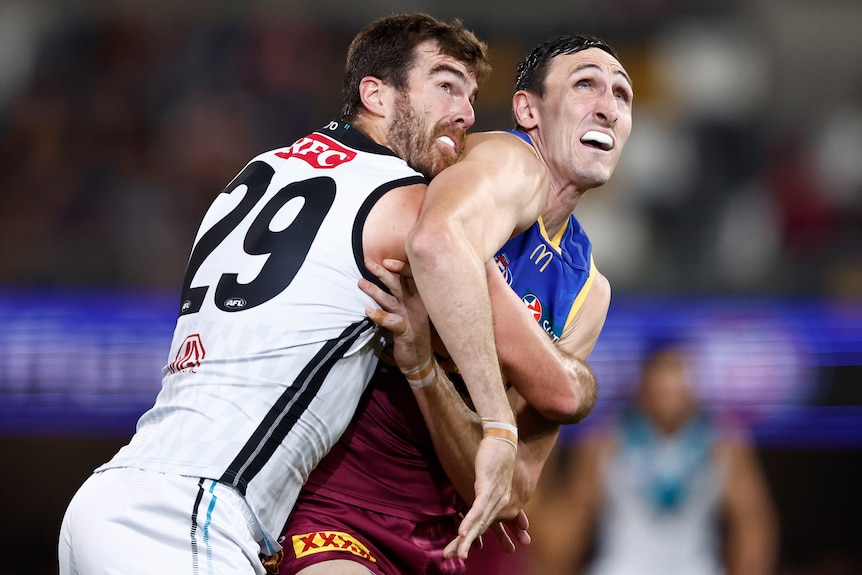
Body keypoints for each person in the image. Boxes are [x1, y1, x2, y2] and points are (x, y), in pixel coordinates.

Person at [57, 14, 522, 575]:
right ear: (375, 93)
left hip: (119, 495)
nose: (467, 113)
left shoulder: (259, 168)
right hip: (191, 513)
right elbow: (542, 372)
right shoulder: (404, 200)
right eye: (446, 84)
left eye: (471, 96)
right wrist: (498, 424)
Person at [273, 34, 633, 575]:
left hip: (445, 535)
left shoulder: (590, 291)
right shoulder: (506, 160)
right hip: (338, 500)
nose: (608, 106)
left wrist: (426, 369)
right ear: (527, 110)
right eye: (586, 85)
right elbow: (435, 242)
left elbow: (510, 492)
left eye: (623, 96)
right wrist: (525, 402)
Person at [525, 342, 779, 575]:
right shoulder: (605, 440)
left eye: (677, 374)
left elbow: (753, 526)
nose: (668, 389)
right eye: (660, 377)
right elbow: (574, 523)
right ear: (643, 383)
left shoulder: (723, 441)